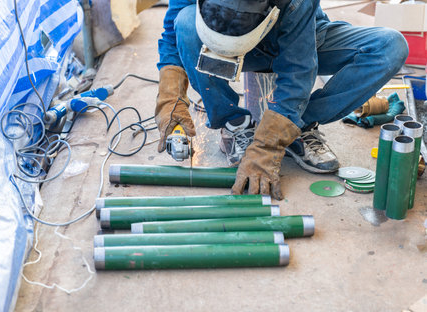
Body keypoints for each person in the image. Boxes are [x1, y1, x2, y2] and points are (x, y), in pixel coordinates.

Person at [155, 0, 408, 199]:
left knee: (390, 46)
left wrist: (268, 145)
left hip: (304, 35)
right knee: (186, 23)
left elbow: (297, 70)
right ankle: (234, 125)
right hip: (245, 50)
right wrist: (171, 98)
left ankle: (296, 127)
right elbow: (171, 36)